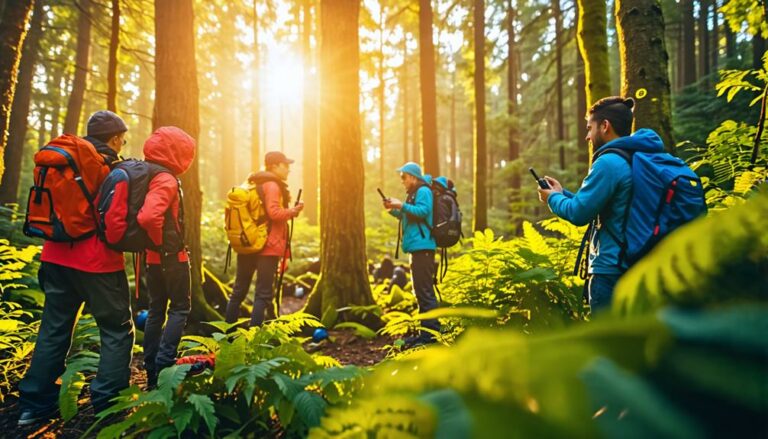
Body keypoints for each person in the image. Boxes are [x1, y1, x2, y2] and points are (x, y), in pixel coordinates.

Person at [18, 111, 133, 425]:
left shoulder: (64, 162)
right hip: (97, 263)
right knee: (116, 330)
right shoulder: (108, 167)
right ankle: (109, 408)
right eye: (122, 136)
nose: (124, 142)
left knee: (53, 330)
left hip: (54, 257)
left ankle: (33, 406)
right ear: (114, 137)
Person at [538, 96, 649, 313]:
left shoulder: (608, 162)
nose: (587, 136)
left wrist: (551, 198)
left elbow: (579, 213)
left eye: (590, 128)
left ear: (605, 126)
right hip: (637, 267)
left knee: (606, 345)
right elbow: (598, 204)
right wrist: (562, 193)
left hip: (610, 272)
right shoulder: (635, 158)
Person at [137, 126, 196, 389]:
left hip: (151, 258)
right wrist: (163, 245)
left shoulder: (144, 174)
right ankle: (163, 365)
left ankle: (151, 367)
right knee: (180, 308)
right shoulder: (165, 179)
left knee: (156, 311)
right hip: (171, 257)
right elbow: (149, 217)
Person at [224, 151, 303, 327]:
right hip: (267, 246)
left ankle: (226, 336)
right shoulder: (272, 185)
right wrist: (293, 211)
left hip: (249, 242)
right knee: (263, 294)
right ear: (274, 165)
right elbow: (274, 213)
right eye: (285, 165)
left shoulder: (253, 182)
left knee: (238, 292)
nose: (288, 169)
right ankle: (254, 339)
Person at [383, 162, 440, 347]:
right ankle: (426, 333)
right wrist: (393, 209)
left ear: (413, 177)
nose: (402, 181)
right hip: (416, 248)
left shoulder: (423, 191)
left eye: (403, 177)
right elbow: (407, 216)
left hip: (423, 248)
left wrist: (402, 205)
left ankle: (431, 335)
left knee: (425, 292)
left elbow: (423, 212)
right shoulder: (413, 194)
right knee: (420, 292)